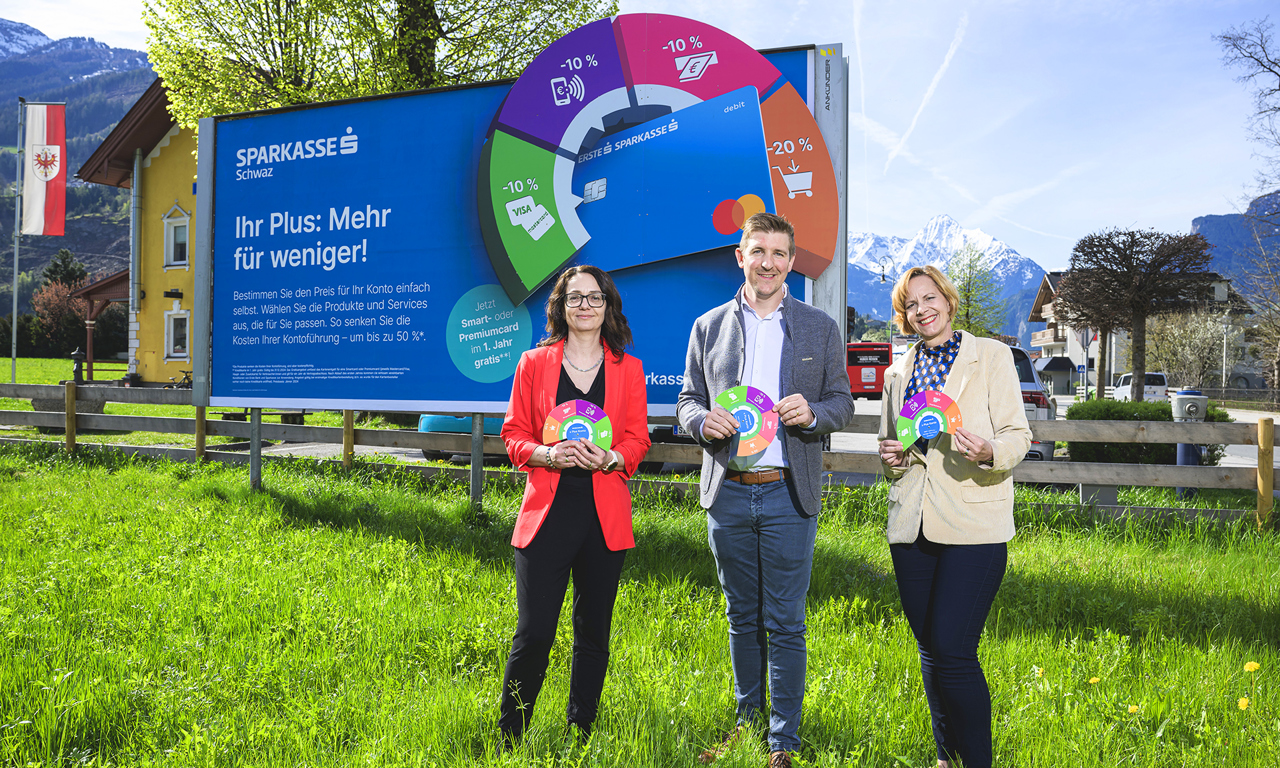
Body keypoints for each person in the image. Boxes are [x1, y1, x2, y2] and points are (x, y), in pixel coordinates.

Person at [677, 212, 855, 768]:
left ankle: (783, 741)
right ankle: (747, 725)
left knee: (785, 621)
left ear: (792, 262)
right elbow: (687, 400)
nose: (769, 263)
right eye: (758, 251)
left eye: (779, 253)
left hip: (787, 494)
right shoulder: (708, 326)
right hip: (728, 492)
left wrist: (815, 413)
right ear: (741, 257)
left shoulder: (819, 328)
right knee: (741, 617)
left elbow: (843, 402)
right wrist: (701, 421)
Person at [876, 265, 1032, 768]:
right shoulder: (897, 373)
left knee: (953, 648)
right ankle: (946, 757)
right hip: (911, 525)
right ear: (904, 316)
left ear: (948, 299)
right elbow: (894, 451)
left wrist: (990, 451)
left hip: (974, 523)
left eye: (929, 298)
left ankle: (978, 762)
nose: (922, 310)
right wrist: (892, 460)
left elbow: (1018, 435)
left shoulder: (991, 357)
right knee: (930, 648)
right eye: (911, 305)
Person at [498, 265, 651, 746]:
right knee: (534, 633)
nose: (585, 305)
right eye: (575, 297)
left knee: (593, 634)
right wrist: (546, 454)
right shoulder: (532, 363)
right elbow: (512, 435)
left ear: (608, 306)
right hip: (547, 516)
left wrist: (612, 458)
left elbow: (638, 440)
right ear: (561, 307)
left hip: (604, 519)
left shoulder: (629, 369)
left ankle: (580, 735)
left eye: (595, 297)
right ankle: (510, 737)